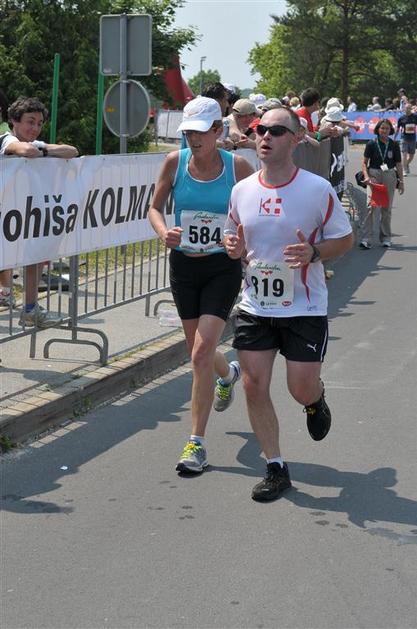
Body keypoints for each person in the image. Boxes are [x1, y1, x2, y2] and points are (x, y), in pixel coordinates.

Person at [223, 106, 354, 501]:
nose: (265, 136)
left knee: (300, 388)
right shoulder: (242, 190)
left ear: (296, 139)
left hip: (304, 307)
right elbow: (233, 238)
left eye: (277, 131)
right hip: (256, 306)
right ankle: (275, 466)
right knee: (253, 385)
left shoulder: (316, 189)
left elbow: (345, 239)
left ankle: (315, 401)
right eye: (260, 129)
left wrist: (315, 252)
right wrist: (233, 247)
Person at [148, 96, 253, 474]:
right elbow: (154, 208)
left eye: (200, 132)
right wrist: (164, 233)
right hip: (184, 267)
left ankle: (196, 443)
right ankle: (228, 374)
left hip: (222, 268)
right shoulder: (174, 163)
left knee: (199, 353)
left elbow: (255, 213)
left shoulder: (237, 167)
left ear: (217, 130)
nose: (193, 139)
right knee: (199, 351)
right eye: (188, 132)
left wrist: (240, 242)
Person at [0, 96, 78, 326]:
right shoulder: (6, 140)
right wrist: (42, 150)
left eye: (40, 123)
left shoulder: (37, 144)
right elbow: (24, 150)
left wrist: (42, 149)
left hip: (21, 214)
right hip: (6, 213)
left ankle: (30, 309)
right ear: (14, 121)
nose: (35, 128)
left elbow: (72, 151)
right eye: (30, 122)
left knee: (32, 257)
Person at [360, 118, 404, 249]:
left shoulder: (394, 144)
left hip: (389, 174)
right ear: (378, 129)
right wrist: (367, 176)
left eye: (387, 128)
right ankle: (366, 238)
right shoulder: (371, 143)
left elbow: (398, 164)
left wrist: (401, 181)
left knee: (387, 207)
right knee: (371, 206)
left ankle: (386, 237)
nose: (384, 130)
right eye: (382, 128)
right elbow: (364, 163)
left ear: (391, 130)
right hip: (374, 174)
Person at [395, 103, 417, 175]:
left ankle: (406, 164)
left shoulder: (415, 117)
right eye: (406, 108)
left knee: (411, 156)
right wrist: (394, 138)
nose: (407, 109)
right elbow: (397, 129)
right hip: (404, 138)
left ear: (411, 109)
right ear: (404, 109)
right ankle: (404, 170)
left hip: (412, 138)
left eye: (409, 108)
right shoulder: (401, 118)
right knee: (404, 154)